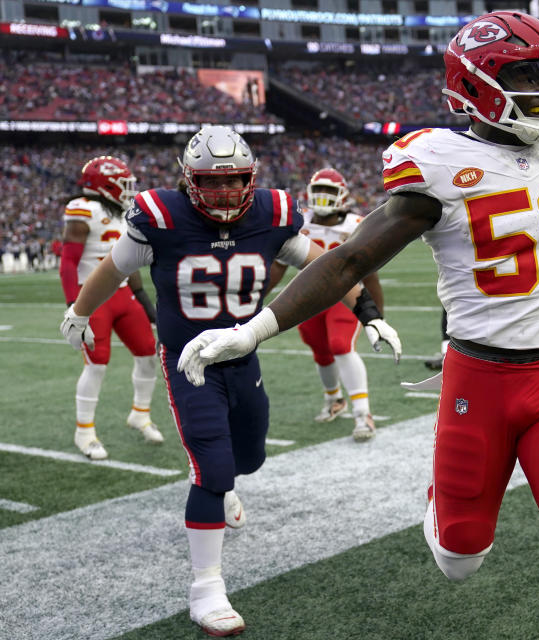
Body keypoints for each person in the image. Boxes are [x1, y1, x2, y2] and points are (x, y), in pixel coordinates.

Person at [175, 14, 539, 639]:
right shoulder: (436, 165)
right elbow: (349, 260)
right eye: (529, 75)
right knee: (460, 558)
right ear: (477, 85)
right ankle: (441, 509)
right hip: (477, 381)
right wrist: (253, 331)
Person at [59, 126, 401, 637]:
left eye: (235, 181)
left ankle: (224, 488)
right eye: (211, 183)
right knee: (212, 468)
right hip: (187, 360)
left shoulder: (271, 214)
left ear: (251, 178)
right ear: (188, 180)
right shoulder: (162, 217)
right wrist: (80, 311)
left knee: (249, 458)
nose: (224, 193)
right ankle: (207, 590)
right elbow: (112, 269)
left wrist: (369, 312)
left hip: (243, 356)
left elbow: (327, 269)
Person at [60, 156, 162, 459]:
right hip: (91, 296)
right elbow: (68, 261)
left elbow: (126, 261)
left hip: (122, 295)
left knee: (148, 353)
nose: (129, 190)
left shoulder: (124, 213)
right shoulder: (82, 208)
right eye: (122, 184)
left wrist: (144, 301)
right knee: (97, 363)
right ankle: (85, 431)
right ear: (104, 185)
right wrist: (73, 308)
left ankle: (140, 414)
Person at [286, 167, 387, 440]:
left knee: (341, 346)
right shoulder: (300, 221)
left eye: (328, 191)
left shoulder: (356, 225)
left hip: (346, 295)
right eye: (317, 190)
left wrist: (376, 314)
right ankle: (334, 400)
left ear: (342, 195)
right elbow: (277, 264)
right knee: (320, 350)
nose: (321, 197)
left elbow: (371, 273)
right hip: (309, 296)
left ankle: (362, 413)